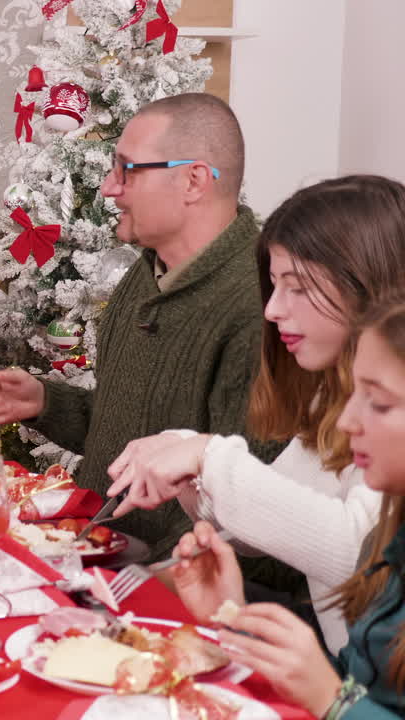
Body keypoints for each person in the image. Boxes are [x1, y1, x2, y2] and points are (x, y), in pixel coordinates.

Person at [105, 176, 405, 652]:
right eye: (274, 286)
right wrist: (192, 477)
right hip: (344, 672)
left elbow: (357, 552)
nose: (271, 310)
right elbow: (273, 524)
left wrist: (207, 456)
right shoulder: (330, 397)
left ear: (368, 287)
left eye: (298, 287)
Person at [0, 92, 274, 561]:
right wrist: (45, 402)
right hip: (97, 551)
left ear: (193, 181)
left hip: (165, 580)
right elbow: (131, 434)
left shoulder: (258, 306)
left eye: (127, 169)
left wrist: (132, 577)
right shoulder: (147, 271)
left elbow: (244, 499)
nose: (110, 187)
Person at [171, 297, 405, 719]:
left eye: (379, 401)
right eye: (354, 393)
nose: (349, 421)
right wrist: (236, 620)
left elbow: (344, 696)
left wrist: (333, 701)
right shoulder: (390, 544)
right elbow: (360, 681)